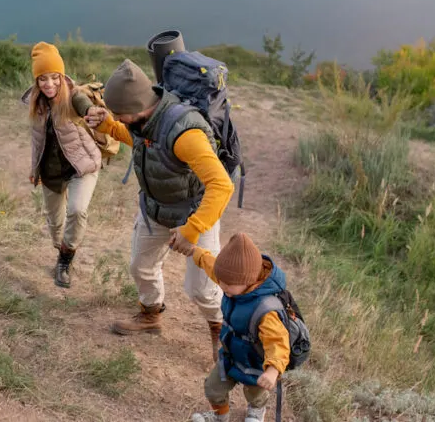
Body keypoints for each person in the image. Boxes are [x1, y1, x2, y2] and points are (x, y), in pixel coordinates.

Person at [84, 58, 234, 362]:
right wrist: (108, 125)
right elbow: (140, 141)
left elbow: (221, 185)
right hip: (156, 210)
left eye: (119, 114)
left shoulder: (185, 133)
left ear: (138, 108)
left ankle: (223, 335)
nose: (118, 119)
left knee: (202, 290)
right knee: (140, 266)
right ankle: (151, 315)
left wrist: (192, 230)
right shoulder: (145, 118)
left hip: (195, 214)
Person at [186, 232, 291, 422]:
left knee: (255, 392)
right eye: (221, 282)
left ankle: (256, 412)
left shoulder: (266, 310)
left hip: (256, 361)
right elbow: (212, 266)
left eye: (227, 284)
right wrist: (195, 252)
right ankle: (221, 415)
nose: (222, 286)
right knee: (213, 388)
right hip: (230, 354)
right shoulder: (232, 281)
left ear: (248, 281)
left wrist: (273, 370)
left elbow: (279, 343)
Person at [22, 42, 102, 288]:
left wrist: (92, 112)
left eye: (54, 77)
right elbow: (37, 142)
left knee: (77, 210)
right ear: (36, 81)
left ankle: (65, 261)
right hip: (50, 171)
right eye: (43, 79)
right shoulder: (34, 103)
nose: (50, 84)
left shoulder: (73, 94)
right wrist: (35, 171)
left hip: (81, 167)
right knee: (55, 224)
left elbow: (84, 106)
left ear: (61, 75)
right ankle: (61, 250)